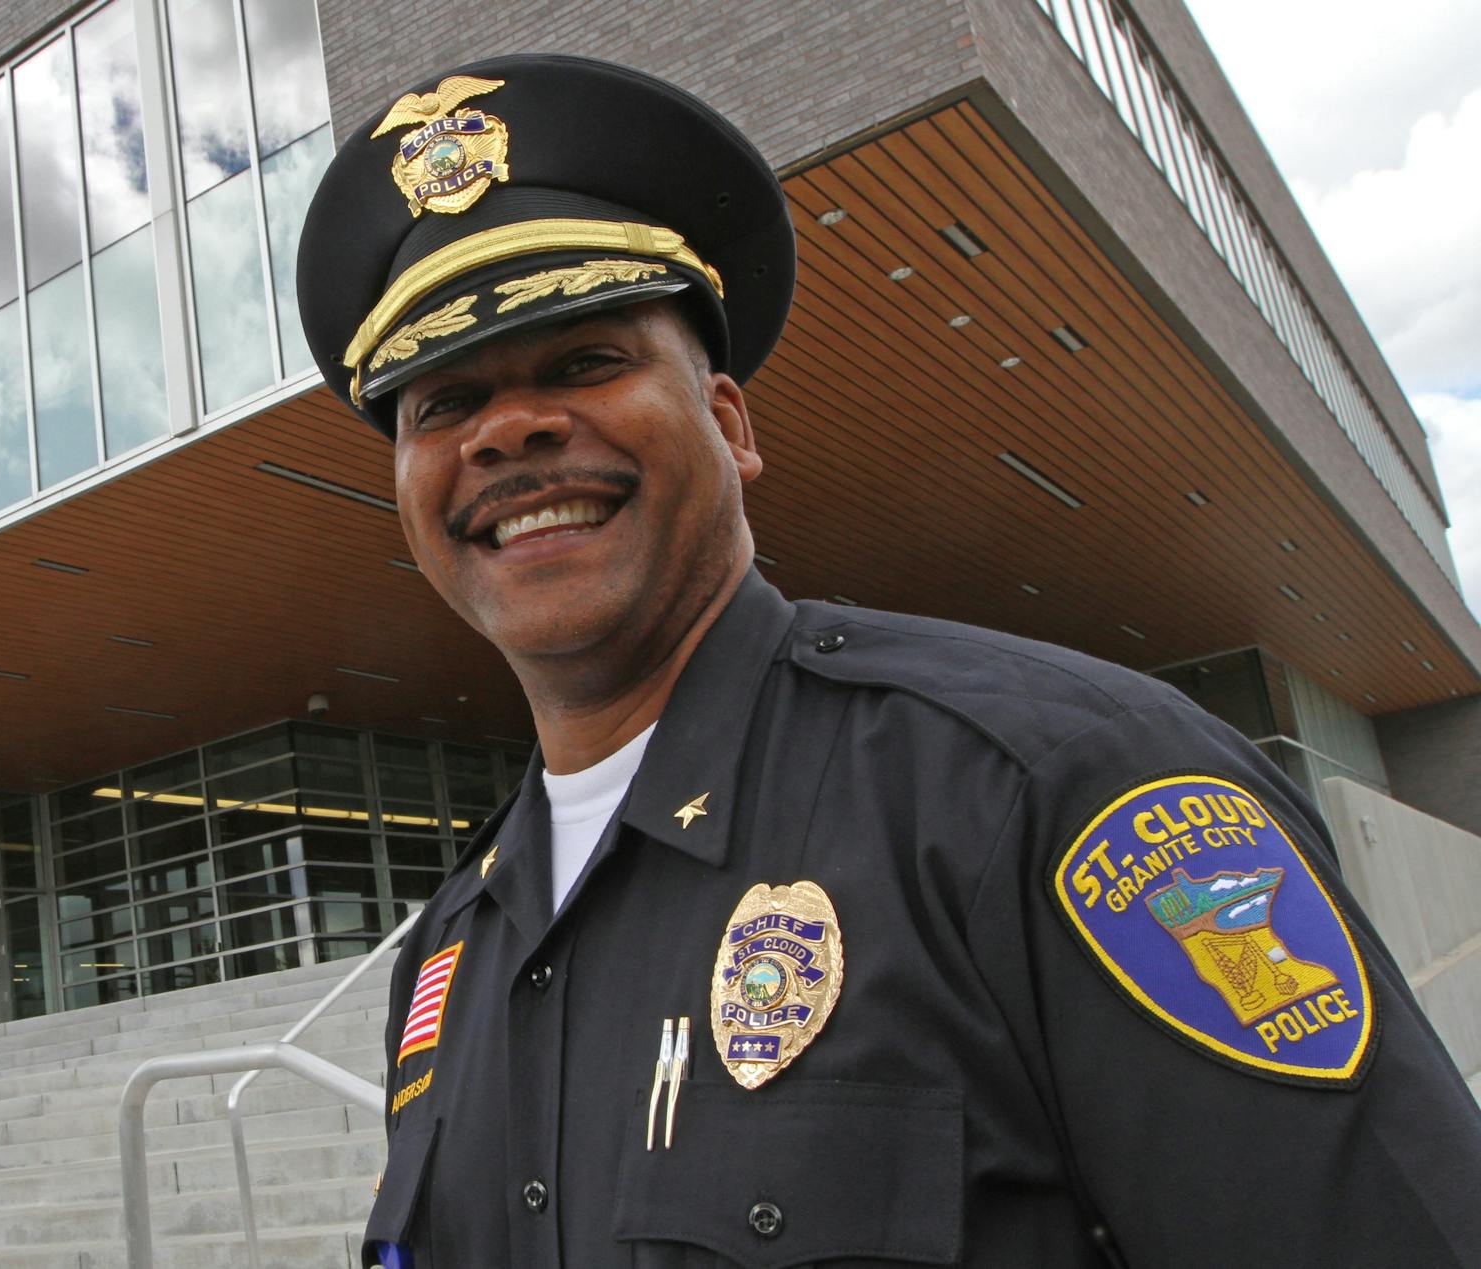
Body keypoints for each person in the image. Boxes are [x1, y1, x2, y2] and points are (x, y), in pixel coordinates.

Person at [293, 53, 1481, 1268]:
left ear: (732, 424)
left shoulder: (1053, 789)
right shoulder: (456, 945)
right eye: (442, 404)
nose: (506, 430)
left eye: (584, 362)